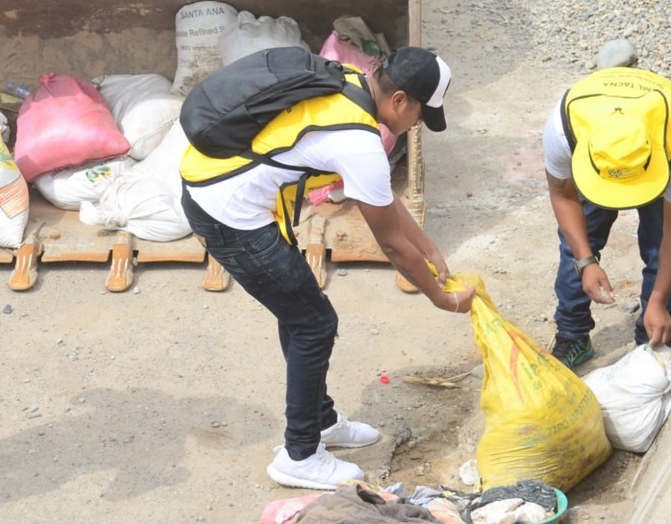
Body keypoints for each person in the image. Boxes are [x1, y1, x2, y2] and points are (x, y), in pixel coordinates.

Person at [179, 47, 473, 490]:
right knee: (314, 322)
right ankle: (300, 454)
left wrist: (429, 246)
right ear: (400, 101)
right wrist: (443, 299)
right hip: (228, 213)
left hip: (219, 186)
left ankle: (321, 421)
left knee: (300, 313)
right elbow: (391, 245)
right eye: (419, 116)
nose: (416, 127)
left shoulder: (352, 82)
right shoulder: (359, 142)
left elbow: (378, 195)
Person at [543, 66, 671, 368]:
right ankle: (572, 334)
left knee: (659, 249)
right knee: (576, 243)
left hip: (655, 158)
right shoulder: (564, 130)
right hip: (601, 156)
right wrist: (586, 261)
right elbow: (563, 196)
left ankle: (650, 347)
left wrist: (657, 301)